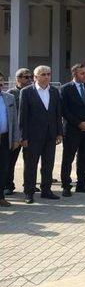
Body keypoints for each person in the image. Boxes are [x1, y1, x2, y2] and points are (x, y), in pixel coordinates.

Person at [19, 65, 63, 204]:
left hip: (50, 135)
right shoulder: (27, 92)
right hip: (32, 136)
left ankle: (46, 190)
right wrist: (23, 137)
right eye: (43, 74)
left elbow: (58, 114)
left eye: (48, 74)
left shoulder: (55, 91)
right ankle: (29, 192)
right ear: (35, 77)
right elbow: (23, 116)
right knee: (31, 165)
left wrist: (59, 133)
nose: (46, 76)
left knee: (48, 164)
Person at [60, 63, 85, 196]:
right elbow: (65, 110)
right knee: (68, 158)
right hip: (72, 129)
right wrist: (79, 123)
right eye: (82, 73)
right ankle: (66, 185)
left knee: (84, 157)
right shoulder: (65, 89)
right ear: (74, 74)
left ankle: (82, 184)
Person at [5, 68, 32, 195]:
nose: (29, 79)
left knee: (30, 161)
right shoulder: (11, 93)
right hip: (15, 134)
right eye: (26, 77)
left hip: (29, 133)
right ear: (18, 78)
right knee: (10, 162)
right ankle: (8, 185)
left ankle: (29, 185)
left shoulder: (32, 92)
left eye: (30, 77)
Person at [0, 73, 21, 207]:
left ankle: (0, 197)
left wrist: (15, 139)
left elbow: (14, 120)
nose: (0, 83)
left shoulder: (9, 97)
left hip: (5, 139)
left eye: (1, 80)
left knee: (3, 169)